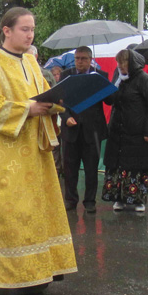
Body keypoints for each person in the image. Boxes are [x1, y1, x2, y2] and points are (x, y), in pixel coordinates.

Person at [0, 7, 77, 292]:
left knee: (36, 212)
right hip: (5, 155)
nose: (30, 35)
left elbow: (46, 95)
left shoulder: (31, 64)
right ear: (7, 30)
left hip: (35, 155)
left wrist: (56, 106)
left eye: (32, 29)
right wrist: (28, 108)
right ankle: (6, 279)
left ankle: (39, 272)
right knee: (11, 214)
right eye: (24, 29)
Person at [102, 49, 148, 212]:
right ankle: (118, 198)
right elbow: (110, 101)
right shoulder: (119, 78)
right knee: (118, 165)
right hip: (118, 130)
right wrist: (106, 88)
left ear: (131, 63)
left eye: (123, 62)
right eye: (118, 62)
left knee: (135, 165)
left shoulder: (144, 80)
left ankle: (137, 200)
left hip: (137, 131)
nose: (120, 65)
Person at [58, 46, 109, 213]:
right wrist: (66, 118)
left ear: (90, 59)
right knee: (70, 168)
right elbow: (61, 102)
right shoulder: (67, 76)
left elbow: (111, 100)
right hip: (71, 129)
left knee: (91, 169)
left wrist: (100, 86)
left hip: (92, 129)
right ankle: (71, 200)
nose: (79, 62)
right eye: (77, 58)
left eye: (83, 59)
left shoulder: (99, 76)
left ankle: (90, 201)